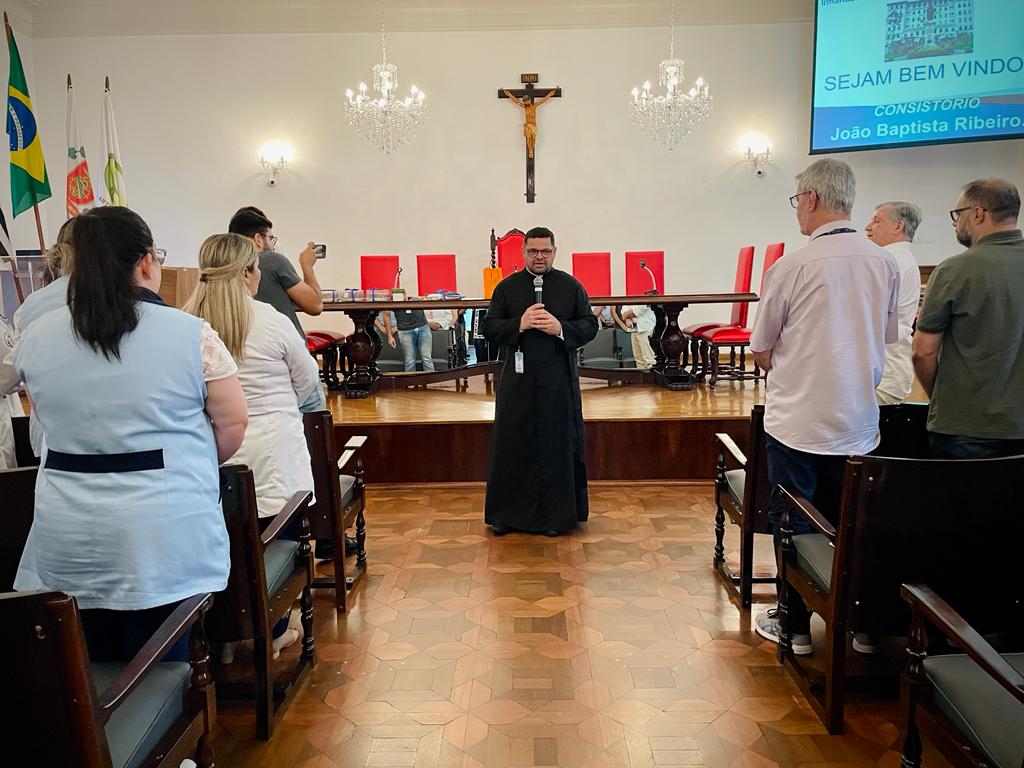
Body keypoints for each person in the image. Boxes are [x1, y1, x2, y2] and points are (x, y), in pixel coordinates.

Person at [14, 206, 248, 662]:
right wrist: (188, 461)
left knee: (84, 660)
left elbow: (43, 415)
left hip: (68, 524)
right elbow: (232, 422)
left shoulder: (38, 334)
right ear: (145, 262)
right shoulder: (189, 334)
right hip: (162, 528)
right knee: (160, 661)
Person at [749, 159, 899, 656]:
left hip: (798, 422)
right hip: (857, 421)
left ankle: (794, 626)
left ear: (811, 199)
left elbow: (761, 348)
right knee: (850, 522)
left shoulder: (791, 266)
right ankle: (856, 623)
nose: (797, 210)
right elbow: (885, 336)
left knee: (793, 520)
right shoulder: (884, 263)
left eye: (797, 201)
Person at [184, 233, 319, 659]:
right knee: (275, 544)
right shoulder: (271, 320)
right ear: (246, 272)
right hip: (273, 453)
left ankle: (221, 636)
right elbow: (307, 381)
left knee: (220, 542)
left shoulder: (185, 323)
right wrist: (279, 406)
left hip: (212, 453)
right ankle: (274, 629)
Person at [482, 226, 599, 536]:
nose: (539, 257)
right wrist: (519, 324)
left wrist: (561, 329)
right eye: (533, 251)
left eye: (545, 251)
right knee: (512, 443)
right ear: (523, 252)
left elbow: (590, 325)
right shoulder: (506, 288)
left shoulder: (571, 286)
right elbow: (489, 327)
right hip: (517, 382)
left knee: (555, 444)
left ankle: (554, 518)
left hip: (557, 379)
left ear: (554, 252)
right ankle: (507, 515)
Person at [913, 178, 1024, 459]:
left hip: (964, 426)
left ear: (977, 214)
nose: (955, 223)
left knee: (962, 491)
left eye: (957, 214)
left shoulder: (954, 270)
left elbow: (923, 351)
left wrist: (941, 398)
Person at [228, 206, 326, 411]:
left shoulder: (225, 267)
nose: (273, 244)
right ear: (258, 239)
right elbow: (315, 305)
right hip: (288, 362)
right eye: (271, 238)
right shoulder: (271, 260)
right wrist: (307, 265)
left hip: (246, 372)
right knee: (313, 423)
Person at [1, 218, 80, 457]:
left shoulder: (32, 305)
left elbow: (16, 371)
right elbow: (9, 374)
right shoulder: (113, 298)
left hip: (48, 436)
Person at [865, 201, 922, 405]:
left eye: (876, 221)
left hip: (883, 373)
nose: (868, 227)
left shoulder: (890, 261)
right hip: (888, 370)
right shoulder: (896, 260)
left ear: (898, 226)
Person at [384, 305, 435, 372]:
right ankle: (411, 379)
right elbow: (386, 315)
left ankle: (431, 378)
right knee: (409, 361)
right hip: (405, 331)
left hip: (423, 327)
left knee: (427, 358)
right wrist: (389, 336)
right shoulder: (392, 299)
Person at [618, 303, 657, 369]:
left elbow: (641, 308)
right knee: (638, 359)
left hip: (645, 328)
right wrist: (627, 318)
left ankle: (651, 375)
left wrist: (626, 315)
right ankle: (641, 375)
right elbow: (624, 307)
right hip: (634, 329)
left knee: (649, 359)